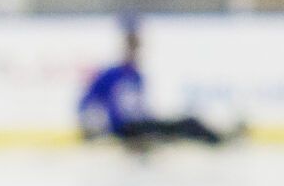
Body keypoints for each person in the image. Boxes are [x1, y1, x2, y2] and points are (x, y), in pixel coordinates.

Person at [77, 19, 240, 149]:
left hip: (143, 126)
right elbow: (86, 102)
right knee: (174, 126)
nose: (134, 52)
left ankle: (218, 139)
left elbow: (142, 109)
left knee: (187, 122)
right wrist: (95, 125)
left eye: (136, 48)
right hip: (126, 130)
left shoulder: (137, 76)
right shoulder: (110, 74)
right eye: (132, 47)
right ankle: (219, 140)